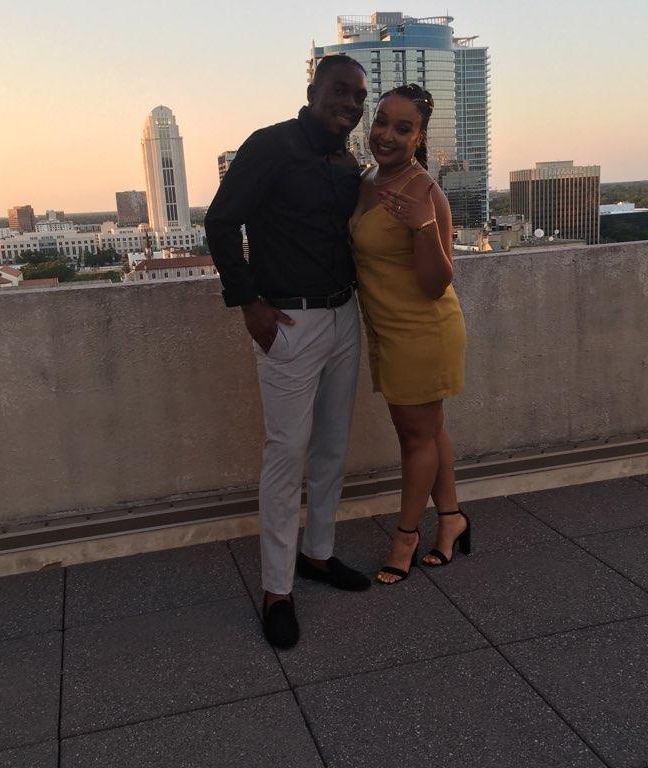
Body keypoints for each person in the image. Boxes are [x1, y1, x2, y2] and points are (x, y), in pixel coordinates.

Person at [205, 55, 371, 650]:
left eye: (359, 96)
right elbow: (221, 222)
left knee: (331, 447)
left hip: (344, 315)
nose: (350, 104)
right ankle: (277, 589)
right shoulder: (271, 146)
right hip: (289, 322)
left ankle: (318, 554)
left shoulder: (346, 160)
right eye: (340, 91)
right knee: (286, 455)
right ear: (312, 90)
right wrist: (248, 303)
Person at [349, 84, 470, 585]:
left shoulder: (425, 192)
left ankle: (405, 537)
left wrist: (423, 227)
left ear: (419, 137)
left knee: (415, 438)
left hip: (422, 332)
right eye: (381, 122)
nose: (387, 135)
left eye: (403, 128)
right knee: (430, 430)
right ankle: (452, 519)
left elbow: (438, 281)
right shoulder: (368, 179)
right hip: (387, 329)